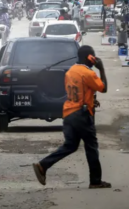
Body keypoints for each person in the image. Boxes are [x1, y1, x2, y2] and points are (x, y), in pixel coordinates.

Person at [32, 45, 110, 189]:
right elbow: (104, 88)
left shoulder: (71, 71)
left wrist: (91, 100)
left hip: (68, 113)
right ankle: (95, 181)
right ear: (90, 57)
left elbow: (80, 91)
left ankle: (43, 165)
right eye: (93, 56)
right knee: (91, 146)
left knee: (70, 145)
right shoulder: (87, 73)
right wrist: (101, 68)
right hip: (82, 115)